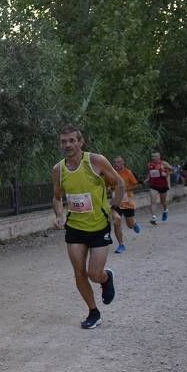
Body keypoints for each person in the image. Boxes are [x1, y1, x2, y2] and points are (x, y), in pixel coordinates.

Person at [51, 126, 125, 329]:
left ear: (80, 142)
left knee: (94, 273)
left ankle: (105, 278)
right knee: (79, 272)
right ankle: (93, 312)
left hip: (99, 225)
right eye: (63, 141)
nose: (67, 145)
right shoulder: (58, 169)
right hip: (75, 227)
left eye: (71, 140)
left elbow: (119, 184)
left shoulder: (96, 161)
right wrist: (59, 215)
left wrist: (115, 209)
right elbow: (57, 197)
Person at [110, 156, 142, 253]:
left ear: (123, 162)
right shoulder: (110, 173)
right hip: (116, 203)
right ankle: (121, 245)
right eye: (115, 162)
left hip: (127, 202)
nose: (116, 164)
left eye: (119, 162)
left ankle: (134, 224)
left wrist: (124, 190)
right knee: (116, 222)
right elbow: (106, 184)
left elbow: (136, 185)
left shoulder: (128, 172)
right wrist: (108, 189)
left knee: (130, 224)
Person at [145, 151, 172, 223]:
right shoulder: (149, 164)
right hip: (153, 185)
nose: (153, 158)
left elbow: (171, 169)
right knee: (153, 201)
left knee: (162, 201)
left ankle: (165, 210)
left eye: (155, 156)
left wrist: (166, 174)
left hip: (163, 185)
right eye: (152, 156)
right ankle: (154, 217)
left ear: (159, 157)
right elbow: (149, 173)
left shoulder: (164, 163)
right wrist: (147, 178)